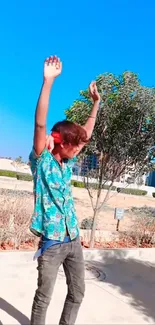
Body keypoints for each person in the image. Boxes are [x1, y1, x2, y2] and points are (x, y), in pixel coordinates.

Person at [29, 55, 100, 325]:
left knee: (77, 293)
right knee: (43, 297)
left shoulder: (67, 165)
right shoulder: (42, 162)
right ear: (61, 142)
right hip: (52, 242)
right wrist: (48, 81)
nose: (81, 148)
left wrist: (96, 103)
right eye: (77, 145)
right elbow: (39, 124)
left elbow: (86, 135)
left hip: (73, 238)